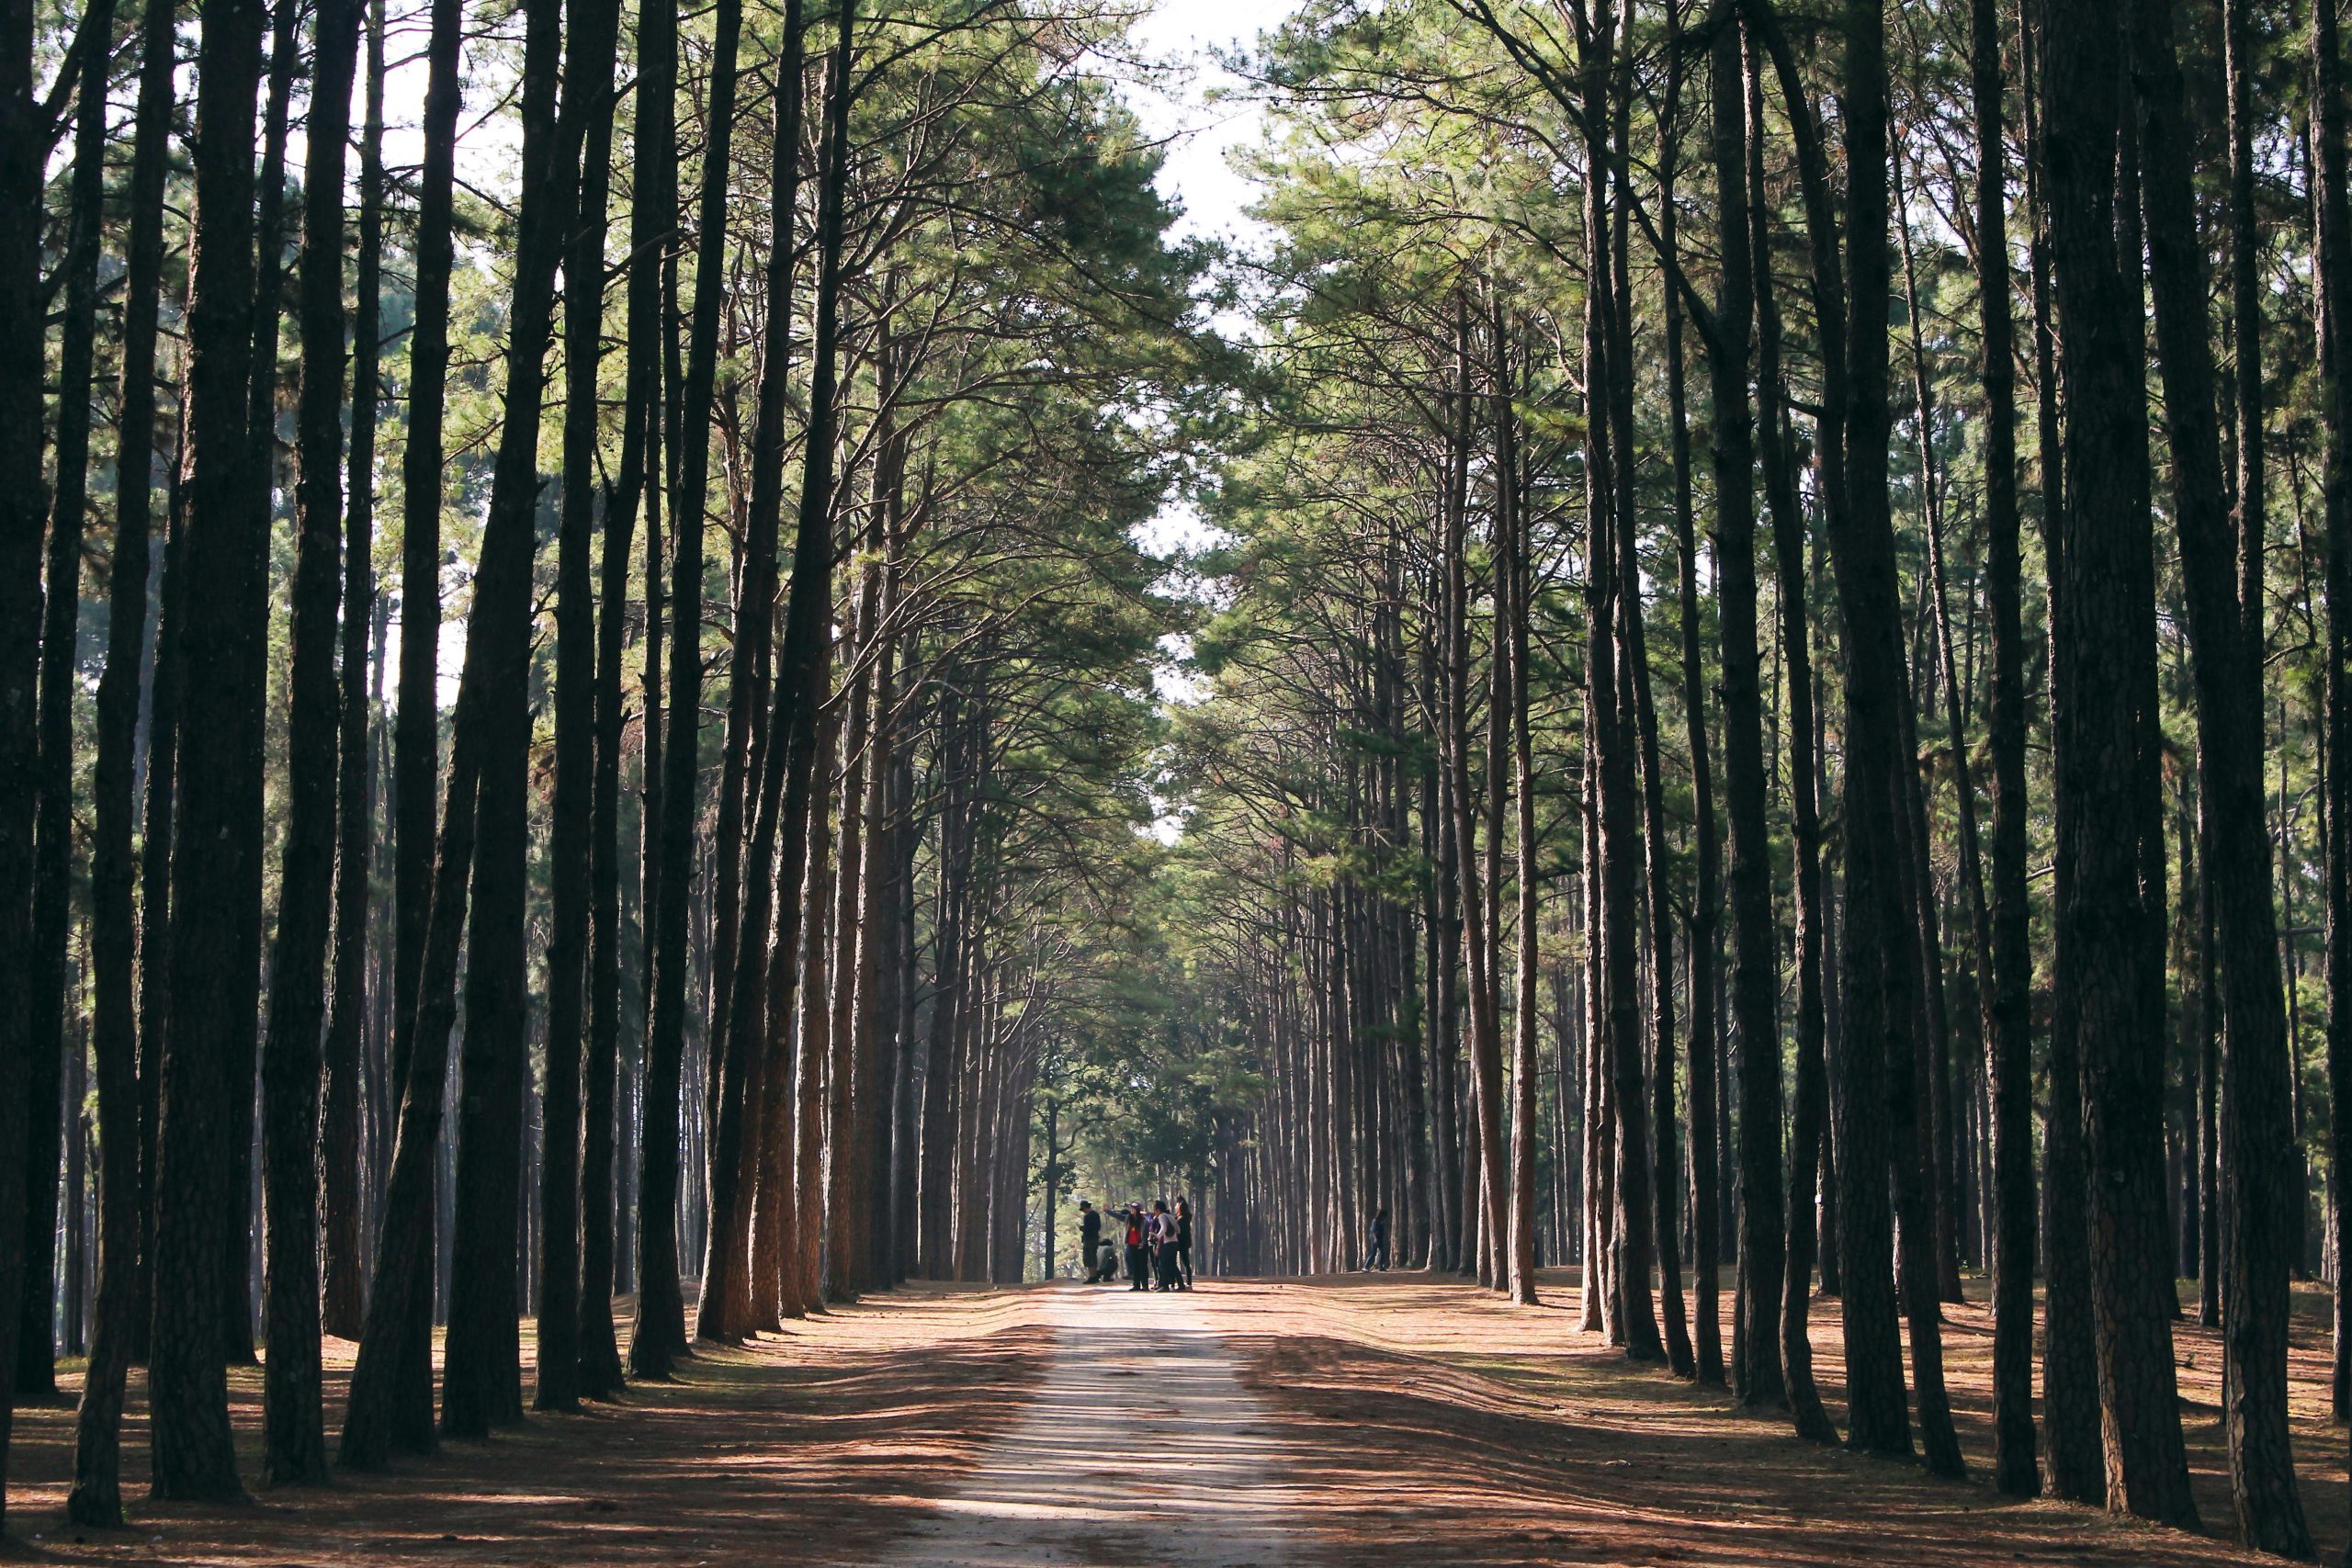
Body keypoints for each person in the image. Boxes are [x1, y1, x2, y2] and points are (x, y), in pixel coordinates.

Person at [1079, 1200, 1113, 1283]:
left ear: (1085, 1208)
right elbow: (1098, 1227)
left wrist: (1082, 1228)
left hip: (1089, 1239)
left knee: (1088, 1258)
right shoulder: (1096, 1215)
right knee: (1093, 1257)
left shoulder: (1087, 1216)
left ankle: (1092, 1276)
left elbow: (1087, 1229)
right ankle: (1094, 1276)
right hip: (1095, 1239)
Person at [1149, 1200, 1181, 1291]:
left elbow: (1163, 1228)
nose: (1154, 1212)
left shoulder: (1162, 1216)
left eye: (1154, 1209)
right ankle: (1181, 1284)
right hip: (1175, 1242)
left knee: (1163, 1264)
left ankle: (1165, 1286)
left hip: (1167, 1243)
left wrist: (1157, 1236)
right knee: (1172, 1264)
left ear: (1158, 1210)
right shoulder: (1170, 1216)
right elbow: (1178, 1229)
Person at [1124, 1203, 1149, 1291]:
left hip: (1141, 1245)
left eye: (1133, 1208)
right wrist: (1108, 1211)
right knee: (1134, 1265)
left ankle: (1145, 1285)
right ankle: (1136, 1285)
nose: (1131, 1209)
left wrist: (1143, 1242)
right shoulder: (1128, 1218)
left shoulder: (1143, 1220)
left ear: (1137, 1209)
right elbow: (1119, 1216)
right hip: (1131, 1245)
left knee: (1143, 1265)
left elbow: (1146, 1233)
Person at [1174, 1197, 1194, 1290]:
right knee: (1186, 1262)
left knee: (1185, 1262)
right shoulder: (1182, 1217)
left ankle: (1188, 1283)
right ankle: (1188, 1283)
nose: (1175, 1207)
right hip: (1183, 1243)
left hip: (1181, 1243)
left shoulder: (1182, 1219)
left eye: (1177, 1205)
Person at [1367, 1206, 1390, 1271]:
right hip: (1374, 1238)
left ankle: (1381, 1267)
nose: (1385, 1218)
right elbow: (1373, 1231)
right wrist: (1375, 1238)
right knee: (1373, 1253)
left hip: (1380, 1238)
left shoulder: (1381, 1221)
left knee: (1382, 1252)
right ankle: (1366, 1266)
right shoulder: (1375, 1221)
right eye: (1384, 1216)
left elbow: (1382, 1230)